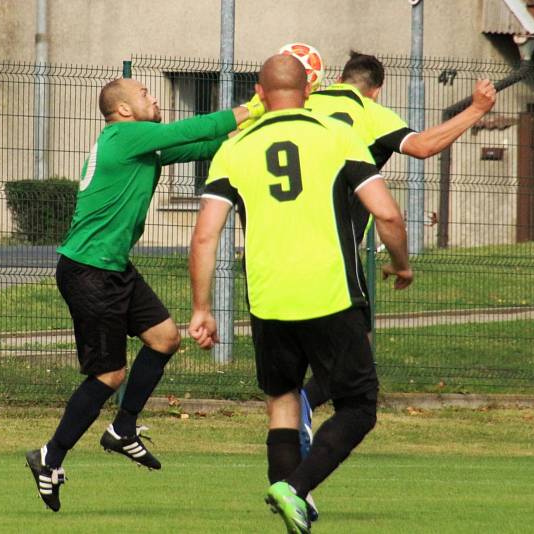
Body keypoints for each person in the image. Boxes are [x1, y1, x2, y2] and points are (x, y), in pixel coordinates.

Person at [188, 54, 412, 534]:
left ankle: (292, 500)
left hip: (268, 300)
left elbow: (206, 235)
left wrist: (202, 308)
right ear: (308, 91)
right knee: (359, 405)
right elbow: (388, 215)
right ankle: (296, 487)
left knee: (283, 400)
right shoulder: (336, 135)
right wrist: (401, 264)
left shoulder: (237, 147)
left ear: (261, 94)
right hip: (331, 294)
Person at [25, 77, 260, 512]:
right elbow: (193, 130)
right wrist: (260, 104)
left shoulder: (140, 144)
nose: (154, 97)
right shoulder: (124, 135)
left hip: (113, 269)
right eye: (146, 94)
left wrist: (264, 127)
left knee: (165, 338)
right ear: (125, 110)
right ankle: (49, 457)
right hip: (88, 272)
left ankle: (122, 430)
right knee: (109, 376)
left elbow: (207, 145)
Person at [299, 50, 497, 456]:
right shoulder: (368, 113)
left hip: (278, 248)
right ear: (376, 90)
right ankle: (303, 416)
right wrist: (476, 108)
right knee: (357, 354)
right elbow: (423, 146)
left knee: (298, 347)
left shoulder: (306, 102)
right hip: (334, 253)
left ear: (339, 78)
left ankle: (290, 422)